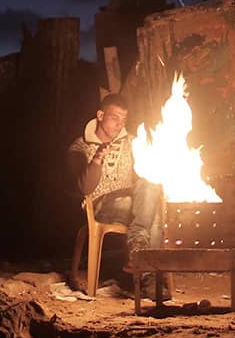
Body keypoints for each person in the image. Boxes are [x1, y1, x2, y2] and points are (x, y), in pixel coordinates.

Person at [67, 93, 165, 297]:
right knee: (150, 213)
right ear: (101, 115)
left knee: (151, 186)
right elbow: (84, 188)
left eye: (123, 120)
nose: (119, 125)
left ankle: (137, 246)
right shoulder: (80, 147)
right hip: (101, 206)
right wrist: (96, 161)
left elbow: (147, 171)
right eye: (114, 118)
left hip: (134, 203)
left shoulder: (132, 142)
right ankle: (149, 281)